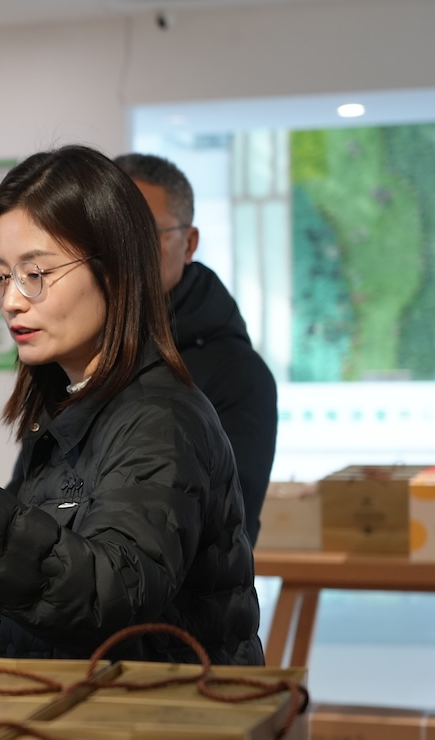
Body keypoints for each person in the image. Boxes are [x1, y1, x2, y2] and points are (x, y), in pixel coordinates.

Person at [0, 145, 263, 665]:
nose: (11, 300)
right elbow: (30, 578)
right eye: (0, 276)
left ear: (115, 269)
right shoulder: (67, 405)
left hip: (146, 712)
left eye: (36, 273)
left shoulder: (160, 419)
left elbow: (107, 593)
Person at [114, 153, 277, 545]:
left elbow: (223, 534)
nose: (124, 252)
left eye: (144, 234)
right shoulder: (78, 355)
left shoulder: (238, 374)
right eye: (107, 234)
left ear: (189, 243)